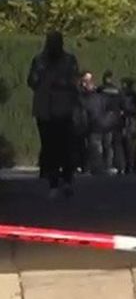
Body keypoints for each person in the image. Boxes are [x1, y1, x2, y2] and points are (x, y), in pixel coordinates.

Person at [26, 31, 80, 197]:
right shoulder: (39, 61)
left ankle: (67, 180)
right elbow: (31, 81)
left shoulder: (69, 60)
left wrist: (63, 84)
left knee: (66, 146)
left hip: (63, 109)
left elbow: (74, 82)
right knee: (49, 147)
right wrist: (42, 79)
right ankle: (54, 182)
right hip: (45, 110)